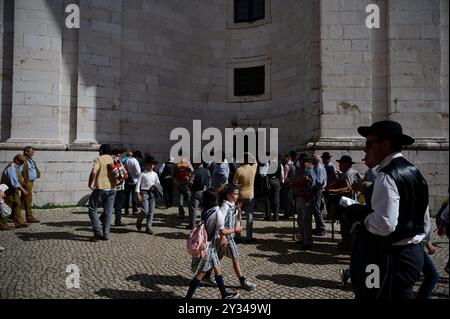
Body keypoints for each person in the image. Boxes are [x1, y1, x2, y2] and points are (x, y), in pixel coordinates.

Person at [351, 120, 430, 299]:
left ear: (385, 145)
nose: (365, 150)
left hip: (392, 258)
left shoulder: (386, 175)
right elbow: (424, 219)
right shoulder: (416, 172)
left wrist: (361, 215)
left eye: (369, 144)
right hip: (413, 253)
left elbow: (385, 225)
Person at [186, 188, 240, 299]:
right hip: (209, 247)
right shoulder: (217, 212)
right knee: (200, 274)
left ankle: (224, 295)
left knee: (218, 269)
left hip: (209, 246)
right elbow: (222, 231)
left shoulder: (205, 210)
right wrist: (236, 229)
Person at [203, 184, 257, 291]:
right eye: (235, 194)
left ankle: (206, 275)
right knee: (235, 258)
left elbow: (236, 220)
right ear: (228, 194)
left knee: (218, 256)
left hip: (228, 236)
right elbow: (219, 223)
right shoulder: (225, 206)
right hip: (226, 237)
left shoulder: (232, 204)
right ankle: (242, 281)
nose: (237, 196)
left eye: (238, 194)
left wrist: (239, 211)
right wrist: (223, 235)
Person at [87, 144, 117, 242]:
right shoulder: (113, 159)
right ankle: (106, 234)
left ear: (101, 150)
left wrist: (90, 183)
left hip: (100, 188)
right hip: (112, 188)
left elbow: (94, 172)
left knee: (92, 208)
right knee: (108, 212)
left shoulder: (99, 159)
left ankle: (97, 232)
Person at [290, 153, 317, 250]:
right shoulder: (298, 171)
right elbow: (292, 182)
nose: (302, 163)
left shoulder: (310, 172)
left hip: (306, 198)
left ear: (307, 162)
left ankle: (308, 241)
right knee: (300, 220)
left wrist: (301, 184)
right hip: (298, 197)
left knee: (306, 220)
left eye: (304, 161)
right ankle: (303, 238)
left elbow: (313, 185)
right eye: (301, 161)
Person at [233, 153, 258, 243]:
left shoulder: (239, 170)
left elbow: (234, 184)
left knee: (238, 217)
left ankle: (237, 236)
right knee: (249, 217)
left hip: (240, 196)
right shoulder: (253, 168)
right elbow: (255, 161)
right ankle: (249, 237)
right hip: (250, 195)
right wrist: (249, 154)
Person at [1, 154, 29, 228]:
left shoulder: (17, 167)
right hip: (8, 191)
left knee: (17, 204)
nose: (22, 163)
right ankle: (2, 223)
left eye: (23, 162)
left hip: (14, 191)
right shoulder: (11, 168)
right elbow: (14, 182)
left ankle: (19, 221)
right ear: (16, 160)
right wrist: (23, 190)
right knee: (7, 207)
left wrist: (23, 183)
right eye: (21, 161)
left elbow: (19, 177)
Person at [136, 156, 160, 235]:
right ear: (147, 164)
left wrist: (156, 188)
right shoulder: (142, 174)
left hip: (152, 193)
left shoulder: (155, 174)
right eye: (150, 164)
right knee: (145, 210)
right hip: (144, 192)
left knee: (151, 211)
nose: (151, 166)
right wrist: (138, 194)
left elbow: (158, 183)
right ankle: (139, 221)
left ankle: (148, 227)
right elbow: (138, 185)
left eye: (153, 164)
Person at [188, 162, 210, 229]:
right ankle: (204, 224)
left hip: (196, 191)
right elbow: (209, 181)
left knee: (194, 209)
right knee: (204, 208)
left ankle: (192, 225)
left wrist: (190, 188)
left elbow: (190, 182)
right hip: (205, 191)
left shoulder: (194, 172)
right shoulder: (207, 171)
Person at [21, 146, 41, 223]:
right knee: (28, 199)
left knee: (22, 199)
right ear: (26, 152)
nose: (33, 153)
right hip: (27, 182)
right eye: (31, 152)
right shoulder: (23, 160)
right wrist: (24, 181)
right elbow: (19, 171)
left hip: (30, 181)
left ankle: (12, 213)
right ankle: (29, 217)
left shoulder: (29, 159)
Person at [311, 154, 327, 236]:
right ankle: (318, 227)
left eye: (312, 159)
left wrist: (312, 188)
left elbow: (320, 182)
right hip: (317, 189)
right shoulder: (316, 167)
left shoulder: (319, 168)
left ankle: (321, 228)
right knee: (316, 209)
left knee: (316, 209)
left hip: (318, 190)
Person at [112, 148, 128, 226]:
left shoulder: (119, 162)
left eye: (120, 155)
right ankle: (116, 220)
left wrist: (125, 175)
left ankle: (118, 220)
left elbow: (125, 172)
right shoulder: (113, 162)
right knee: (113, 204)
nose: (119, 156)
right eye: (118, 155)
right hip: (115, 186)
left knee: (119, 204)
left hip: (121, 186)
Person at [124, 151, 141, 215]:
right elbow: (139, 172)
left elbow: (125, 169)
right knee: (134, 196)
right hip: (135, 180)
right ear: (136, 156)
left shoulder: (127, 160)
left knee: (127, 196)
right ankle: (134, 209)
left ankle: (126, 210)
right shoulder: (135, 161)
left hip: (128, 180)